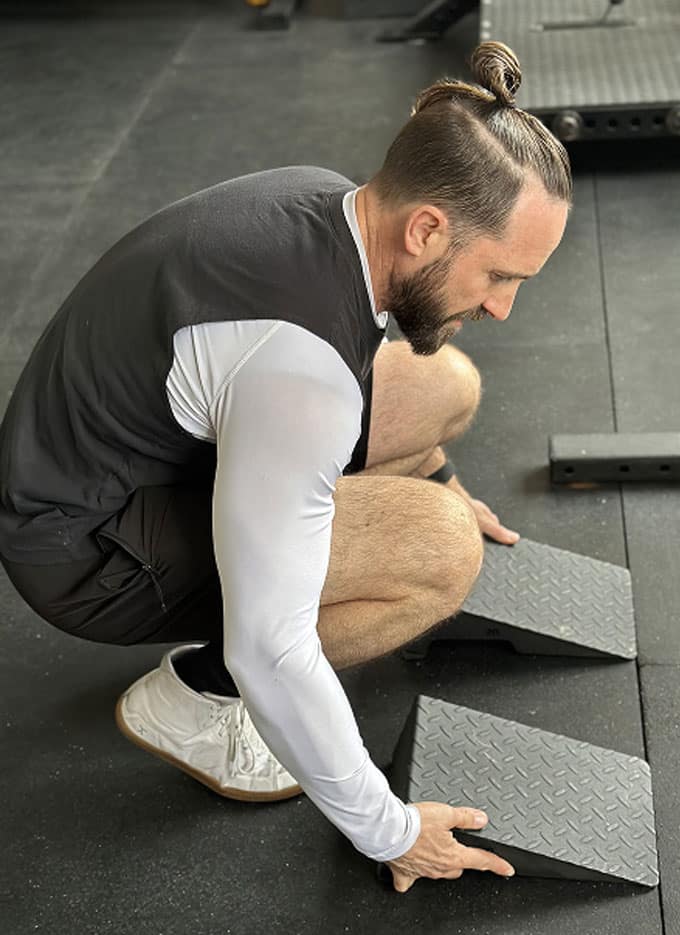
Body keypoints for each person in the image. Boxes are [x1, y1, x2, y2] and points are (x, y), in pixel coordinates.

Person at [0, 41, 570, 892]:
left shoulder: (333, 202)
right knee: (441, 552)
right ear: (426, 228)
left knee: (441, 383)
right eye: (498, 274)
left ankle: (400, 505)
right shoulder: (298, 374)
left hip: (136, 453)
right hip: (85, 546)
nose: (501, 304)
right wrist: (392, 829)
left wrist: (437, 474)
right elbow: (275, 646)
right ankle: (194, 698)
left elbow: (319, 374)